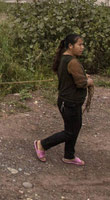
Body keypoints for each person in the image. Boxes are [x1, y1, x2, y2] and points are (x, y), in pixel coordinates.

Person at [33, 33, 94, 166]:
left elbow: (73, 77)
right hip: (69, 103)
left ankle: (69, 155)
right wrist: (89, 81)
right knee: (70, 132)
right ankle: (42, 144)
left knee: (74, 129)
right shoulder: (73, 62)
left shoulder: (65, 58)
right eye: (80, 44)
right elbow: (81, 83)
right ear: (70, 46)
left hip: (68, 102)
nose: (82, 47)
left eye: (83, 44)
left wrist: (83, 76)